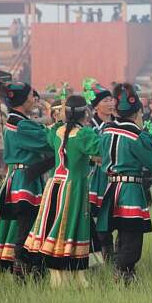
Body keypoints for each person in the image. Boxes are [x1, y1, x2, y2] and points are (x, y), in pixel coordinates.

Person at [23, 95, 100, 287]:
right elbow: (100, 151)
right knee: (72, 228)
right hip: (74, 187)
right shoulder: (84, 134)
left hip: (55, 185)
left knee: (53, 226)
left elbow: (51, 136)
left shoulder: (57, 131)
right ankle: (76, 276)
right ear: (86, 113)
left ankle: (57, 277)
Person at [0, 81, 51, 280]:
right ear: (21, 100)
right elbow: (47, 141)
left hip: (20, 179)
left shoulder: (15, 121)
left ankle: (27, 269)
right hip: (25, 183)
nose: (32, 99)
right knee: (26, 228)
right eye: (30, 95)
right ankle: (22, 271)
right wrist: (58, 124)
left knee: (26, 226)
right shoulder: (22, 125)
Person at [97, 83, 152, 283]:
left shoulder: (106, 132)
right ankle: (124, 273)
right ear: (137, 111)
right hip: (130, 189)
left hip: (111, 187)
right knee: (132, 234)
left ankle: (119, 267)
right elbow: (151, 162)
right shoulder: (136, 136)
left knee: (121, 232)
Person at [82, 81, 115, 261]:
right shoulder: (89, 128)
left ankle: (114, 252)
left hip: (115, 177)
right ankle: (103, 252)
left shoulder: (118, 124)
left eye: (111, 100)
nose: (110, 103)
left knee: (116, 215)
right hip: (96, 178)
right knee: (98, 217)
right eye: (105, 101)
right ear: (96, 106)